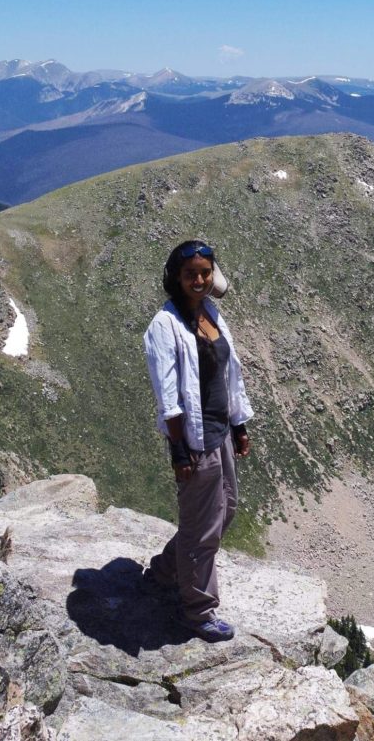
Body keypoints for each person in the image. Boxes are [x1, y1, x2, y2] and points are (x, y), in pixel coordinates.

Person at [142, 240, 253, 642]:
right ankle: (198, 610)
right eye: (191, 274)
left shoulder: (210, 313)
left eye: (206, 272)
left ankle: (164, 572)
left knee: (225, 512)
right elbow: (168, 396)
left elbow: (229, 375)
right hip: (195, 441)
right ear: (176, 277)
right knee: (202, 528)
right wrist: (179, 451)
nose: (200, 280)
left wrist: (239, 425)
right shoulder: (165, 325)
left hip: (220, 432)